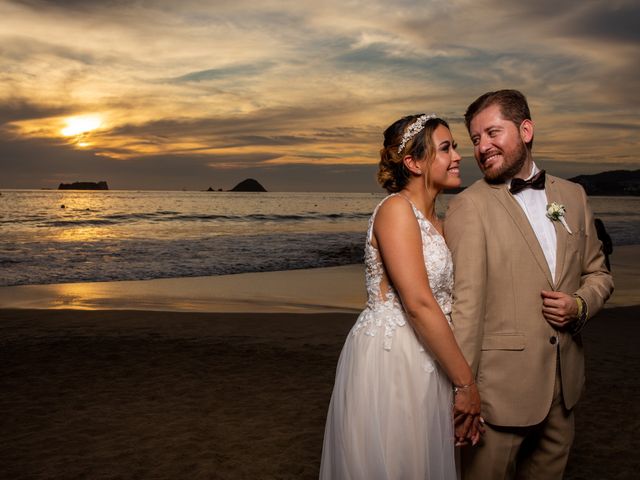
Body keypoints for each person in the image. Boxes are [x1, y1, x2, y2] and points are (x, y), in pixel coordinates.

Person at [444, 89, 614, 479]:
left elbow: (598, 272)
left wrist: (580, 305)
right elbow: (465, 308)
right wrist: (464, 390)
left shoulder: (573, 196)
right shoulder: (469, 207)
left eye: (492, 133)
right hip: (498, 397)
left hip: (564, 390)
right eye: (475, 139)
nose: (482, 147)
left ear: (526, 129)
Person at [320, 113, 483, 479]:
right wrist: (466, 384)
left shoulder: (440, 221)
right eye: (445, 148)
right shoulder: (395, 211)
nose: (458, 156)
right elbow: (419, 302)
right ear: (413, 162)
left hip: (431, 355)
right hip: (395, 357)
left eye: (455, 147)